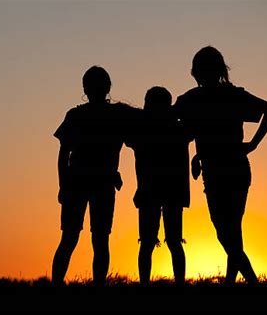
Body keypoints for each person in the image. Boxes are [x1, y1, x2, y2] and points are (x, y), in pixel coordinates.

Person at [174, 46, 267, 284]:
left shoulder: (196, 99)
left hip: (226, 171)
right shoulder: (223, 96)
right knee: (232, 230)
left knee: (226, 232)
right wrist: (198, 156)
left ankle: (251, 281)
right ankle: (233, 284)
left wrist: (253, 144)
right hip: (228, 169)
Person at [51, 65, 136, 286]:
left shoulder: (80, 115)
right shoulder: (115, 114)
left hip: (85, 184)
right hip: (93, 184)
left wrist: (63, 185)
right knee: (93, 239)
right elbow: (63, 153)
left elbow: (63, 155)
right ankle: (89, 287)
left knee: (75, 238)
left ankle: (59, 287)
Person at [125, 86, 191, 285]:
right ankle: (178, 284)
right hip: (171, 191)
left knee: (148, 243)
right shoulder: (179, 129)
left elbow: (128, 132)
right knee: (172, 242)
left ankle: (146, 284)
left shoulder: (141, 130)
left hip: (150, 191)